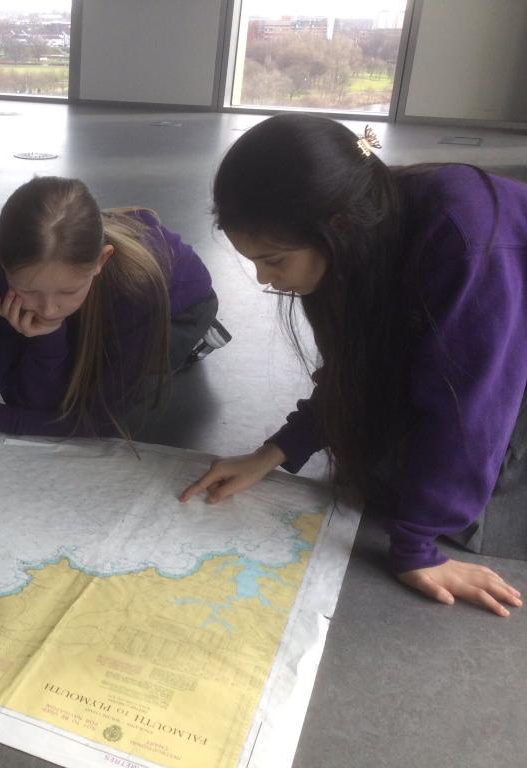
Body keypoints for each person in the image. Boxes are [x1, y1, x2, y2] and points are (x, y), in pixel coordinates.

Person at [180, 113, 526, 617]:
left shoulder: (463, 239)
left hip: (506, 322)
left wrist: (416, 551)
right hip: (479, 320)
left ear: (336, 228)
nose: (262, 279)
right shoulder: (356, 236)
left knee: (467, 506)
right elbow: (355, 369)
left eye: (274, 260)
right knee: (384, 468)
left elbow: (472, 404)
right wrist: (274, 453)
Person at [0, 176, 227, 440]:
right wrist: (46, 337)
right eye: (29, 290)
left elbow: (102, 420)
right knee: (72, 356)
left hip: (181, 309)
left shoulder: (135, 289)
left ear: (101, 260)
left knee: (103, 380)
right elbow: (31, 402)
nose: (47, 309)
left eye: (68, 290)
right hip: (102, 297)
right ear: (0, 258)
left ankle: (196, 340)